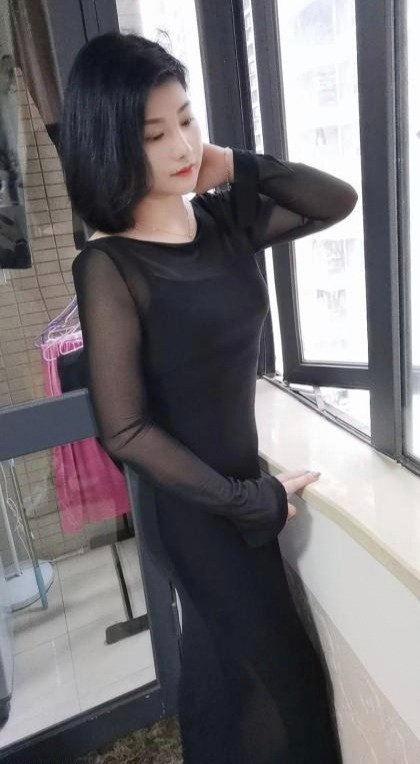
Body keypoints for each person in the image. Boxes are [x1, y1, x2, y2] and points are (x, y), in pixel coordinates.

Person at [59, 31, 357, 764]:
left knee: (231, 675)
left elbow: (335, 201)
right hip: (191, 508)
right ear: (111, 144)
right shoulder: (109, 266)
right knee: (281, 684)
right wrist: (246, 500)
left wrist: (228, 162)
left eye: (187, 120)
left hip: (237, 486)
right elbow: (125, 429)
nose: (181, 146)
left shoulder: (223, 223)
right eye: (154, 134)